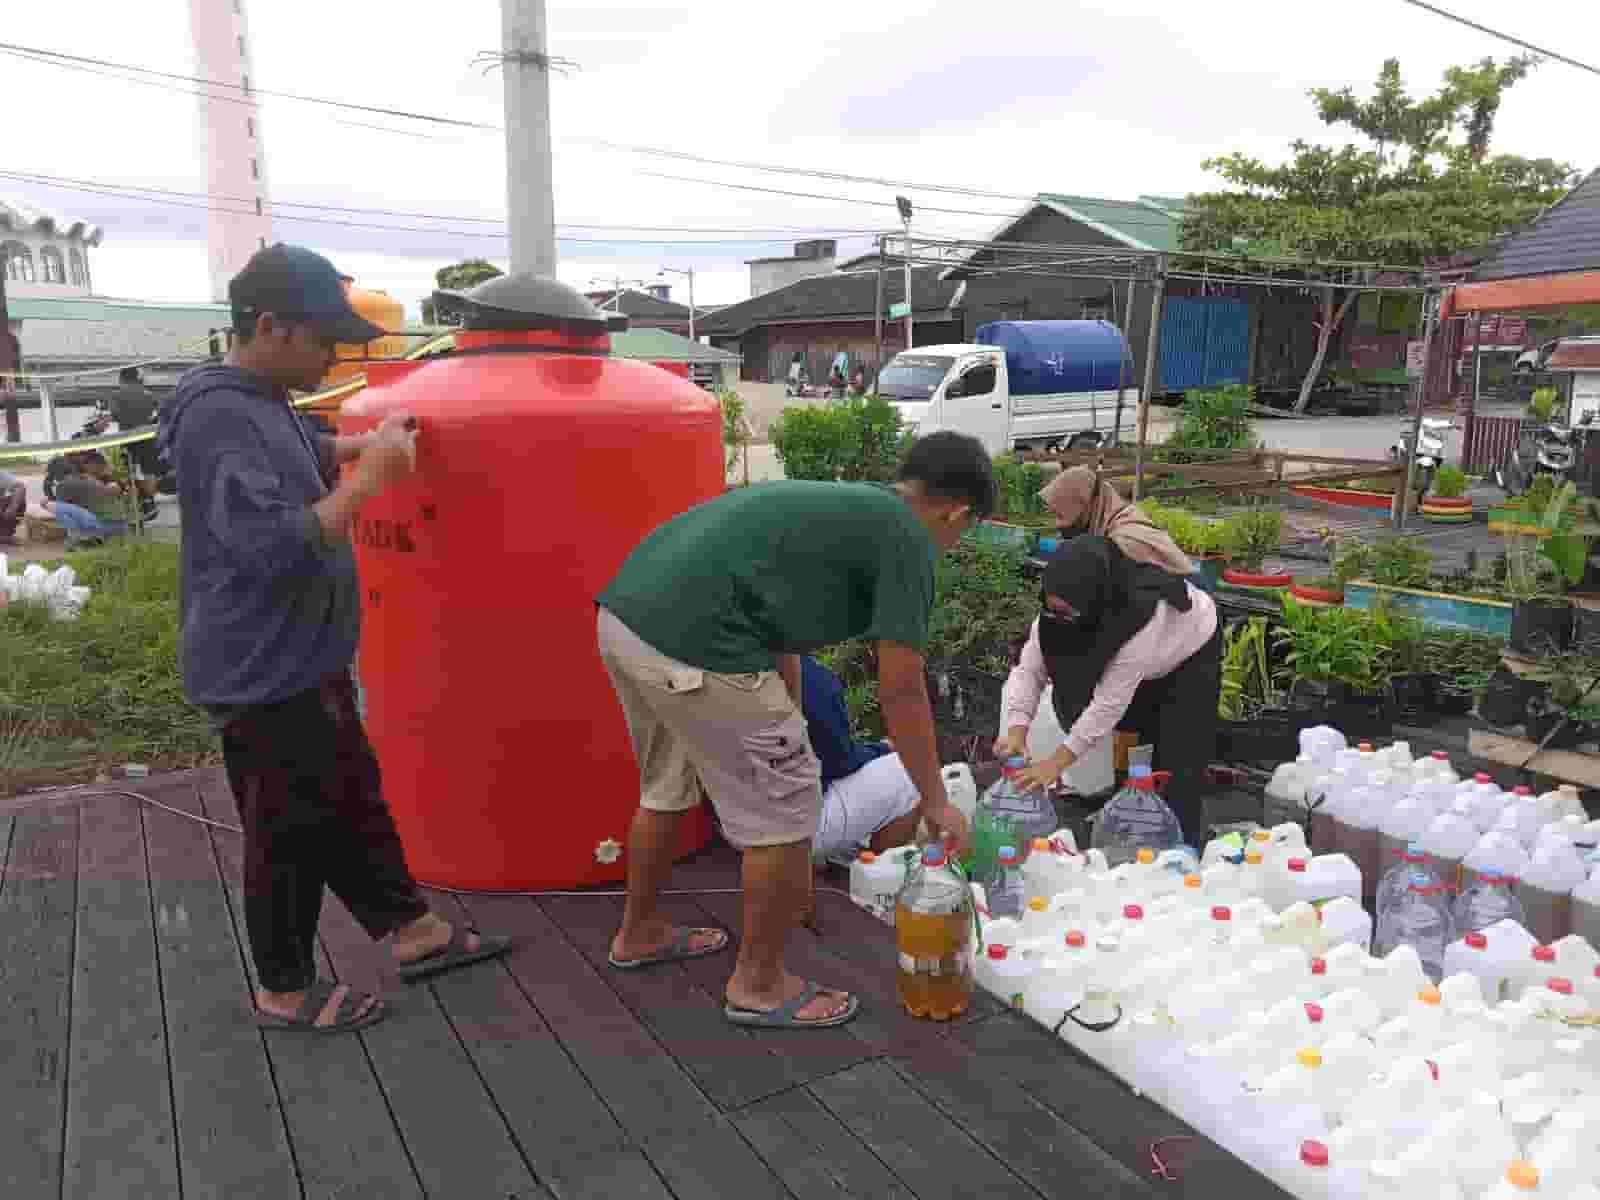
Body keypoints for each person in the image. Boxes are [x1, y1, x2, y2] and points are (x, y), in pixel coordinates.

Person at [158, 243, 510, 1036]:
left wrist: (357, 446)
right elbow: (271, 545)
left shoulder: (258, 397)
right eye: (325, 341)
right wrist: (371, 480)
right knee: (287, 834)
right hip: (262, 668)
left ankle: (413, 932)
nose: (336, 356)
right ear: (273, 327)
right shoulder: (220, 411)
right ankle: (284, 989)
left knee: (349, 794)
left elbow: (294, 458)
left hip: (302, 659)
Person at [596, 432, 993, 1029]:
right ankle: (759, 984)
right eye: (964, 532)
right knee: (786, 812)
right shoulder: (908, 537)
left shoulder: (851, 510)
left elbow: (781, 640)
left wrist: (793, 730)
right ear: (955, 511)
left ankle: (640, 933)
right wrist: (936, 802)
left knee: (668, 787)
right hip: (700, 644)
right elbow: (902, 687)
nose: (954, 544)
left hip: (628, 620)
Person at [995, 535, 1220, 844]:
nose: (1056, 616)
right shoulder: (1056, 613)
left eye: (1067, 611)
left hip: (1189, 651)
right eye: (1051, 607)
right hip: (1135, 664)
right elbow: (1029, 670)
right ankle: (1127, 820)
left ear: (1095, 600)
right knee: (1130, 745)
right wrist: (1016, 730)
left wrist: (1054, 765)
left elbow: (1108, 704)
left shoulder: (1141, 619)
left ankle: (1180, 847)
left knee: (1177, 759)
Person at [801, 655, 921, 864]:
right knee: (910, 770)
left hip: (732, 818)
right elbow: (840, 762)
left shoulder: (730, 663)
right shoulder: (809, 675)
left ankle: (828, 857)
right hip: (786, 832)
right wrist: (881, 749)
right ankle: (882, 878)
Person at [1038, 465, 1193, 576]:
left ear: (1085, 507)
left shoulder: (1125, 543)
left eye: (1061, 516)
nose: (1057, 526)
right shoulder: (1115, 519)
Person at [111, 366, 164, 519]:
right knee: (148, 471)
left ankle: (142, 505)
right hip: (148, 439)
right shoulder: (149, 394)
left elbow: (114, 415)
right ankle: (150, 502)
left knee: (131, 473)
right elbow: (158, 414)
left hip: (128, 440)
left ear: (122, 379)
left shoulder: (117, 395)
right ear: (137, 378)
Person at [46, 451, 128, 547]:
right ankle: (90, 536)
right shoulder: (89, 479)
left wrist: (46, 503)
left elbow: (61, 507)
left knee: (56, 507)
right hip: (120, 525)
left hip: (103, 525)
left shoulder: (64, 485)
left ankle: (81, 538)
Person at [0, 466, 26, 545]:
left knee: (19, 500)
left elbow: (20, 487)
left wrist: (12, 507)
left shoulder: (2, 475)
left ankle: (5, 534)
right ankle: (3, 537)